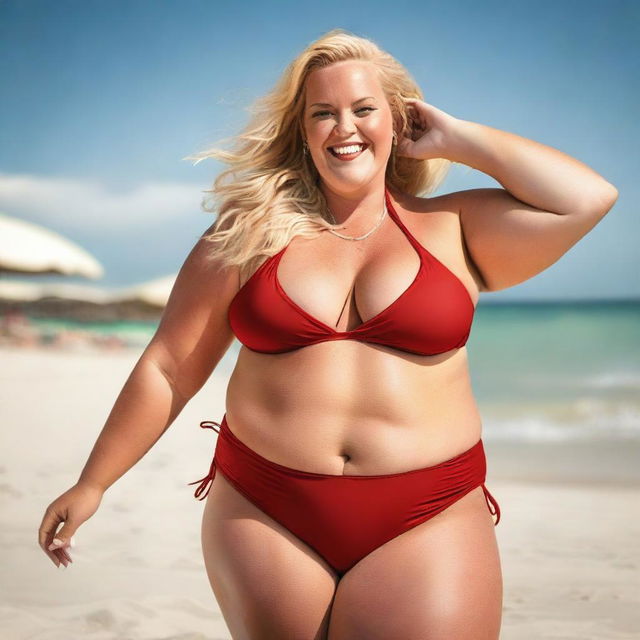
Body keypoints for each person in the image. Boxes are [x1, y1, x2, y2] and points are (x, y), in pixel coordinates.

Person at [38, 28, 618, 640]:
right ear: (303, 130)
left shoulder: (456, 225)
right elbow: (170, 366)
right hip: (267, 507)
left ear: (399, 122)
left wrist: (457, 139)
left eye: (364, 109)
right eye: (324, 113)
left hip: (429, 509)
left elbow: (586, 199)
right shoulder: (248, 233)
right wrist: (94, 481)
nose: (344, 127)